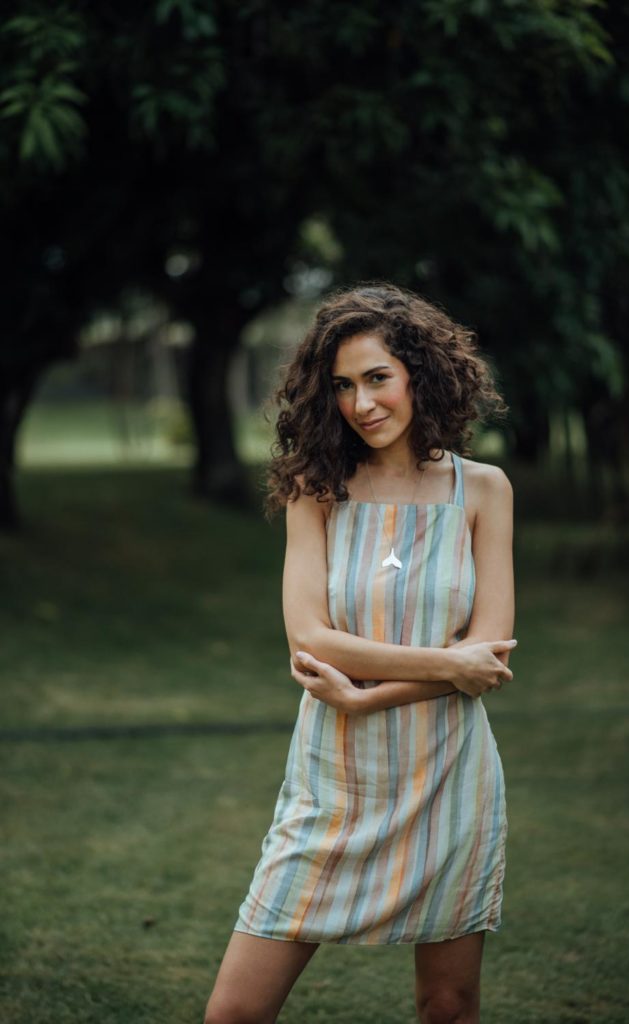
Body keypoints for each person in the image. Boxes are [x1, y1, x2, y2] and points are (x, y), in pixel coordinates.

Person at [204, 282, 516, 1024]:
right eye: (342, 385)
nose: (361, 403)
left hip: (449, 780)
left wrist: (366, 694)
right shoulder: (315, 491)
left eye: (378, 378)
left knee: (448, 1006)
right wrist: (448, 666)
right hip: (332, 782)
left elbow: (490, 652)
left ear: (420, 374)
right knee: (234, 1013)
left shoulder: (483, 491)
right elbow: (311, 639)